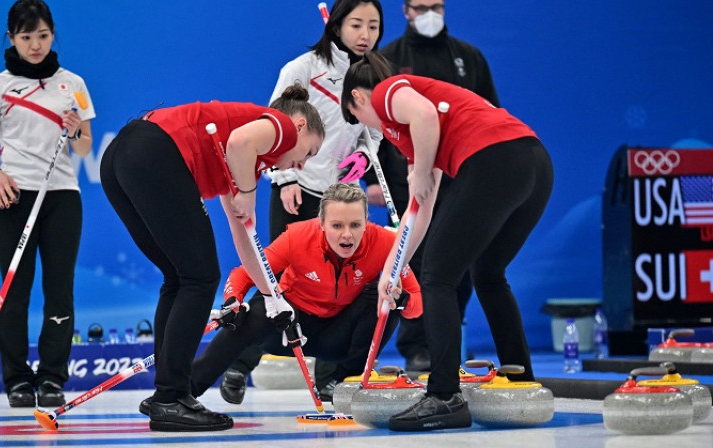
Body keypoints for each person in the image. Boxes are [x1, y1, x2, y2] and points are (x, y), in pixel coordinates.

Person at [341, 52, 553, 431]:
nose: (366, 126)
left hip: (495, 159)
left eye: (356, 118)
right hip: (533, 163)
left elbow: (421, 117)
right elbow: (419, 207)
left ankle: (443, 396)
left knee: (438, 276)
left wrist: (421, 171)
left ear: (357, 97)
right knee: (488, 272)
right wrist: (394, 265)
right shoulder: (416, 136)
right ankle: (521, 381)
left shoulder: (387, 93)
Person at [100, 85, 324, 432]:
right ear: (300, 126)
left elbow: (244, 238)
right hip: (152, 151)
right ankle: (171, 396)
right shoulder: (279, 126)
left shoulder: (245, 164)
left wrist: (273, 298)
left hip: (119, 157)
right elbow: (240, 143)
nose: (303, 164)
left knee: (179, 277)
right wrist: (248, 195)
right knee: (200, 278)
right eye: (310, 152)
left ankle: (169, 395)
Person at [220, 0, 385, 403]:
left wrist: (365, 156)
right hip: (297, 189)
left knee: (344, 287)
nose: (365, 35)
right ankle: (239, 365)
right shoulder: (303, 68)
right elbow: (273, 121)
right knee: (279, 284)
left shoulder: (375, 73)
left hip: (342, 198)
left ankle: (330, 377)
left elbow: (377, 129)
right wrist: (287, 176)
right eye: (356, 25)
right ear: (337, 25)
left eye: (374, 26)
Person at [189, 183, 422, 405]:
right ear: (321, 223)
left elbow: (417, 306)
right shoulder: (298, 237)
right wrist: (233, 301)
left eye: (355, 225)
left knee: (383, 300)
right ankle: (185, 391)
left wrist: (400, 300)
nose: (347, 235)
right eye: (337, 225)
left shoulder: (387, 242)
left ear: (366, 222)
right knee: (256, 309)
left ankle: (346, 383)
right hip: (290, 329)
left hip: (338, 337)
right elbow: (244, 274)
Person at [362, 0, 500, 372]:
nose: (429, 13)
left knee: (462, 261)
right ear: (406, 11)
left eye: (436, 5)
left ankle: (447, 341)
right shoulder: (388, 58)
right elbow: (372, 127)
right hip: (410, 175)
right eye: (421, 7)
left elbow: (490, 113)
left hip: (462, 177)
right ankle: (417, 347)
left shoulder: (468, 58)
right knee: (418, 261)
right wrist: (374, 181)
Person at [0, 0, 95, 409]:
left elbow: (85, 148)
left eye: (42, 36)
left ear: (53, 33)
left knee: (59, 291)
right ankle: (17, 380)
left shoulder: (73, 83)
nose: (35, 45)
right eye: (26, 38)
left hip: (61, 199)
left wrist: (77, 131)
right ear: (11, 39)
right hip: (13, 197)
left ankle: (52, 377)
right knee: (14, 293)